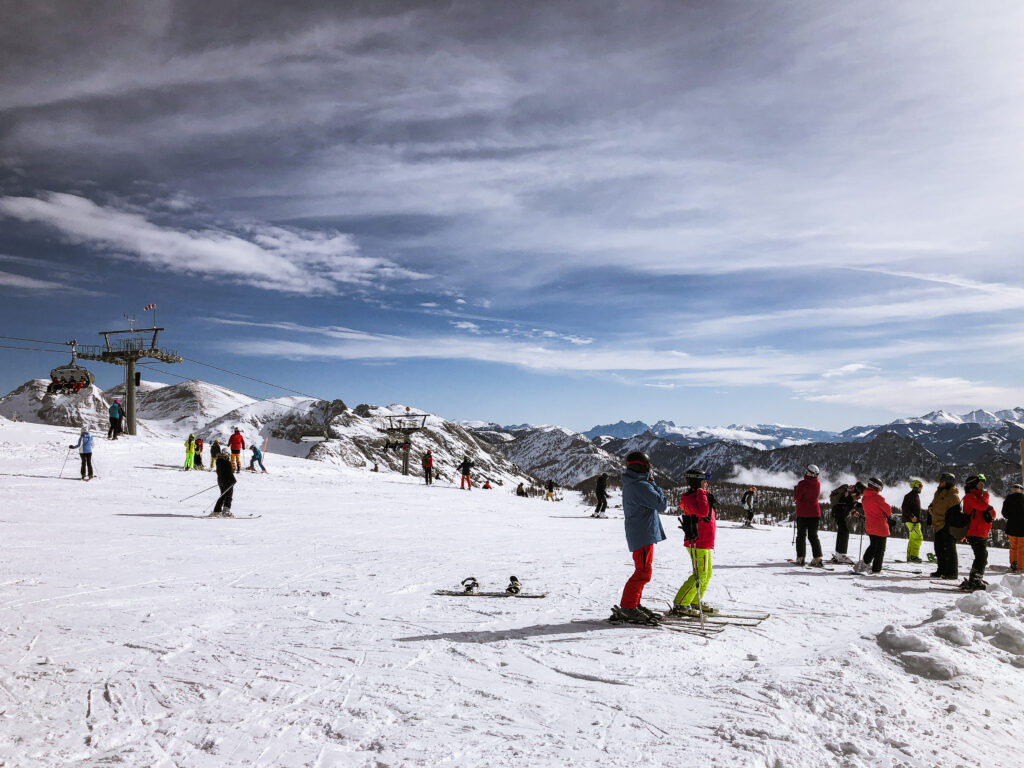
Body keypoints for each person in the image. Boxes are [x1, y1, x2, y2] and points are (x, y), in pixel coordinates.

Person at [611, 451, 667, 624]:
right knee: (643, 572)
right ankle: (628, 607)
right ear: (643, 467)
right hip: (643, 534)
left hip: (642, 533)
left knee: (643, 570)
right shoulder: (641, 485)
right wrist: (654, 483)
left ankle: (633, 604)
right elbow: (662, 504)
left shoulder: (634, 482)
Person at [671, 469, 717, 616]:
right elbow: (703, 512)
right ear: (697, 482)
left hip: (706, 542)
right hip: (698, 542)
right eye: (704, 481)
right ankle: (681, 603)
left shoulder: (698, 496)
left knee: (707, 574)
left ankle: (695, 599)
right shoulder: (693, 497)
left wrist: (704, 493)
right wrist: (701, 493)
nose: (706, 484)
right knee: (700, 575)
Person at [961, 474, 995, 591]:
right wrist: (986, 496)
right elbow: (982, 507)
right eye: (980, 483)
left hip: (981, 532)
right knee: (981, 557)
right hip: (974, 532)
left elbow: (989, 512)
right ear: (973, 484)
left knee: (981, 557)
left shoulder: (978, 497)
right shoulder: (969, 497)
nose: (983, 485)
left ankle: (975, 579)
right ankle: (975, 580)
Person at [928, 473, 962, 580]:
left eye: (942, 481)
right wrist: (930, 508)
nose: (940, 483)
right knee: (939, 549)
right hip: (938, 525)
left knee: (949, 550)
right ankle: (941, 570)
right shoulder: (938, 492)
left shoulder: (953, 496)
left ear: (948, 482)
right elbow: (933, 504)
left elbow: (955, 513)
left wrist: (948, 525)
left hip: (947, 526)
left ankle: (952, 572)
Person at [854, 477, 891, 574]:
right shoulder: (878, 498)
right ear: (876, 487)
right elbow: (888, 511)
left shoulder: (865, 497)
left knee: (873, 546)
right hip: (880, 527)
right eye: (880, 488)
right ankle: (876, 570)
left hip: (870, 526)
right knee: (880, 549)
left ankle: (865, 563)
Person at [794, 464, 824, 567]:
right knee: (813, 536)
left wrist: (796, 490)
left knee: (801, 535)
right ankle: (817, 558)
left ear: (808, 473)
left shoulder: (802, 484)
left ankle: (800, 558)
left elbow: (797, 497)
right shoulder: (818, 484)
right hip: (815, 513)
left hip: (802, 512)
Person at [829, 482, 865, 564]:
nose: (861, 496)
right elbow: (849, 505)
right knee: (844, 531)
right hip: (839, 513)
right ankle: (840, 555)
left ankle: (838, 554)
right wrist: (855, 511)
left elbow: (850, 505)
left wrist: (856, 512)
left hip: (839, 512)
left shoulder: (850, 492)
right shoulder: (849, 494)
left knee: (842, 531)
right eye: (861, 494)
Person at [1002, 483, 1024, 573]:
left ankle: (1014, 564)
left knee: (1013, 547)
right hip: (1022, 528)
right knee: (1021, 548)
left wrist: (1012, 516)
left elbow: (1004, 513)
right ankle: (1021, 567)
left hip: (1011, 527)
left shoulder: (1008, 499)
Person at [901, 479, 924, 563]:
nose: (921, 488)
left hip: (913, 520)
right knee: (918, 537)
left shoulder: (914, 495)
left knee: (913, 538)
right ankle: (914, 556)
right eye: (920, 486)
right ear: (916, 486)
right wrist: (912, 516)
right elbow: (904, 507)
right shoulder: (910, 496)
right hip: (912, 521)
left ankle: (910, 556)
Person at [211, 451, 236, 517]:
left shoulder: (218, 462)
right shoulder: (227, 462)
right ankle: (226, 512)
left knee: (223, 496)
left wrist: (221, 480)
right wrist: (234, 480)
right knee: (228, 496)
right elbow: (229, 473)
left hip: (220, 481)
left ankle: (217, 511)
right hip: (228, 482)